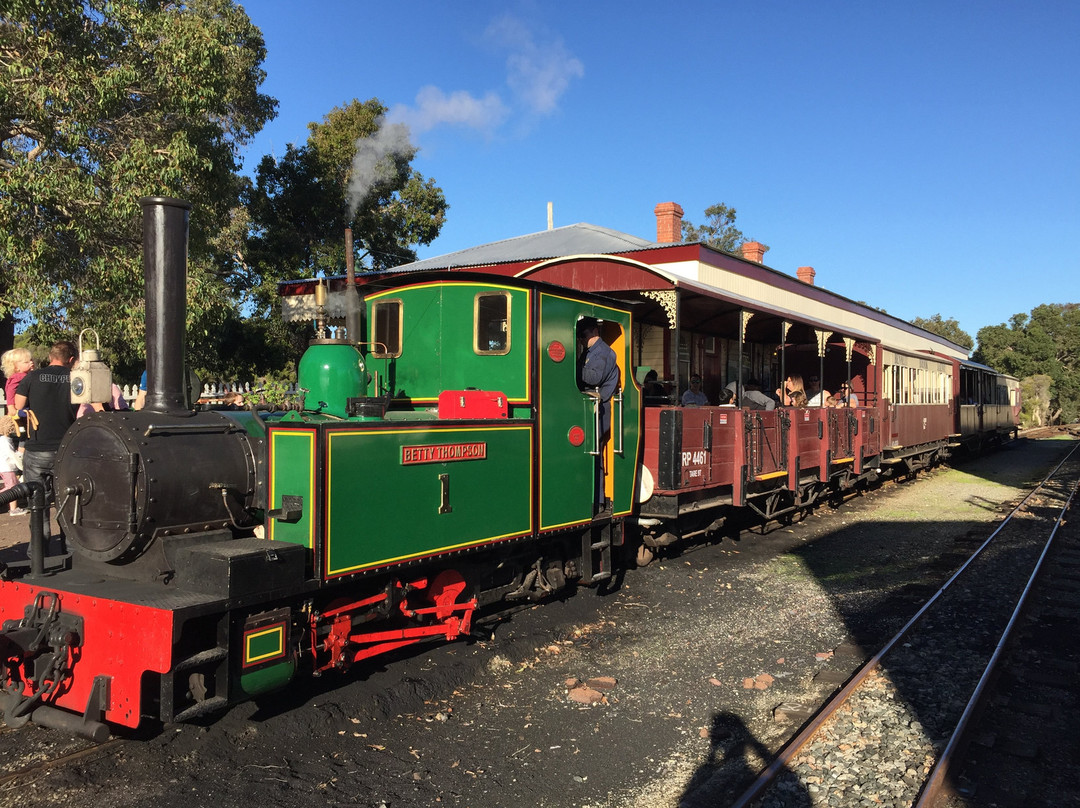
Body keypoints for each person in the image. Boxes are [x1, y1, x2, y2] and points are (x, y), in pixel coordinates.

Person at [14, 340, 78, 553]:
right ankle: (71, 551)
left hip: (37, 449)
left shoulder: (32, 377)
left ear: (51, 356)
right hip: (66, 449)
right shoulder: (75, 378)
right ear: (70, 360)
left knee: (37, 504)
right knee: (67, 502)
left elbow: (19, 405)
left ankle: (38, 553)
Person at [577, 318, 620, 510]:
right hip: (591, 408)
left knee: (594, 453)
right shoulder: (590, 352)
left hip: (600, 408)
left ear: (595, 331)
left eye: (584, 335)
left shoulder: (603, 352)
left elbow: (593, 377)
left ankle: (598, 500)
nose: (582, 340)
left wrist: (572, 368)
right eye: (580, 337)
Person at [0, 414, 24, 516]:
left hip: (4, 467)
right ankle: (13, 509)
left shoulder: (3, 440)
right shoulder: (5, 441)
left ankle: (13, 508)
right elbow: (11, 454)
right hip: (7, 467)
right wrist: (18, 457)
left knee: (12, 485)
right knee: (12, 488)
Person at [2, 348, 34, 417]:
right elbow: (10, 391)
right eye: (26, 362)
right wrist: (11, 407)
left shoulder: (29, 375)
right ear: (16, 367)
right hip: (18, 409)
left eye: (31, 360)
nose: (31, 362)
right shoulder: (18, 377)